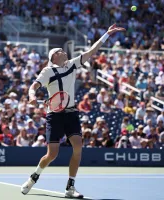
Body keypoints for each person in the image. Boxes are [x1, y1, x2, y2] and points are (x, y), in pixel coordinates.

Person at [21, 24, 125, 198]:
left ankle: (70, 187)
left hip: (71, 113)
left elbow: (92, 51)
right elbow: (34, 86)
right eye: (60, 51)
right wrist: (32, 95)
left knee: (78, 147)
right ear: (53, 56)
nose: (64, 51)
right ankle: (33, 178)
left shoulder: (71, 65)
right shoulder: (48, 71)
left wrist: (106, 34)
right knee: (52, 154)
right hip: (54, 115)